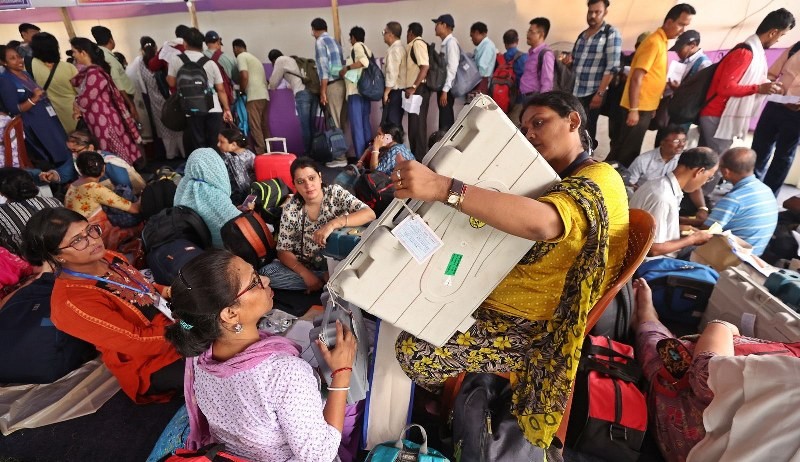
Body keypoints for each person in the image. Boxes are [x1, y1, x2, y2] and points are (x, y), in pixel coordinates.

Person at [391, 91, 629, 448]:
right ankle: (462, 390)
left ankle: (456, 401)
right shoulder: (556, 180)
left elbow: (546, 224)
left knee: (413, 350)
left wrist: (444, 188)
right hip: (504, 303)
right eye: (524, 127)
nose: (529, 133)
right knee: (408, 302)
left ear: (573, 122)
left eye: (539, 122)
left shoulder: (600, 177)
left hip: (536, 330)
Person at [165, 249, 357, 461]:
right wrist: (341, 373)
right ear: (230, 313)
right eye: (255, 281)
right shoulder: (284, 373)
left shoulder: (199, 354)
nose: (266, 279)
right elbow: (320, 456)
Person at [22, 207, 182, 403]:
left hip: (175, 324)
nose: (93, 240)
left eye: (90, 230)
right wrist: (191, 328)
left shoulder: (109, 258)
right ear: (57, 256)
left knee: (221, 313)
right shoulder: (71, 303)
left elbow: (145, 289)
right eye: (77, 240)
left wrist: (172, 292)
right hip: (149, 362)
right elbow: (138, 342)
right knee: (221, 355)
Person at [631, 278, 786, 462]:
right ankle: (649, 321)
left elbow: (707, 376)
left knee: (662, 350)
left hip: (683, 420)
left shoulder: (791, 380)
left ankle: (644, 319)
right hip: (696, 446)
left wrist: (722, 327)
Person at [259, 157, 375, 292]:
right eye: (301, 182)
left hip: (338, 261)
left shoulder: (335, 193)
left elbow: (369, 213)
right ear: (294, 185)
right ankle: (328, 282)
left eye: (312, 178)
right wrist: (305, 274)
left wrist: (333, 224)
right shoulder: (291, 208)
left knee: (360, 264)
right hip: (307, 266)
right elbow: (284, 250)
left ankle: (329, 281)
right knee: (268, 272)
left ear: (320, 177)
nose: (308, 185)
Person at [608, 4, 696, 167]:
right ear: (669, 22)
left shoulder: (662, 42)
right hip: (637, 107)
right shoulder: (654, 42)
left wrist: (653, 105)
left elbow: (651, 77)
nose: (682, 30)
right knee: (627, 151)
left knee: (625, 148)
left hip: (645, 107)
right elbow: (636, 77)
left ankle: (607, 177)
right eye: (681, 24)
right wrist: (634, 110)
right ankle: (613, 182)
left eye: (686, 26)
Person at [699, 9, 794, 155]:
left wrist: (770, 86)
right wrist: (759, 88)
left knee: (708, 164)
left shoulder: (756, 53)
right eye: (781, 35)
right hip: (716, 114)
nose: (778, 40)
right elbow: (726, 88)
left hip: (720, 115)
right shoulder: (745, 53)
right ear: (773, 32)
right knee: (715, 167)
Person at [682, 148, 777, 256]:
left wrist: (678, 224)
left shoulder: (734, 199)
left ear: (726, 172)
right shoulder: (766, 190)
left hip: (732, 259)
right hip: (755, 255)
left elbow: (704, 234)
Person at [0, 45, 73, 183]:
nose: (19, 60)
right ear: (3, 62)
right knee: (51, 154)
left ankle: (68, 177)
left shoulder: (25, 74)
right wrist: (33, 99)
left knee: (64, 148)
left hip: (48, 118)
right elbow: (14, 109)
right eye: (12, 58)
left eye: (19, 56)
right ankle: (59, 182)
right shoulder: (5, 80)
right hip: (34, 124)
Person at [630, 147, 717, 258]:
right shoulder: (662, 197)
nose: (705, 182)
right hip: (650, 265)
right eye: (708, 177)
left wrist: (678, 228)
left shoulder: (660, 185)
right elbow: (652, 250)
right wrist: (692, 239)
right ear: (699, 171)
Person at [70, 37, 143, 166]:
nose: (73, 55)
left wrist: (76, 104)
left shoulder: (94, 74)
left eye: (74, 51)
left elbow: (85, 100)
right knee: (114, 152)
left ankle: (126, 179)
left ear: (83, 53)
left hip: (105, 122)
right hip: (102, 120)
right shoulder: (90, 72)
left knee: (115, 154)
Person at [166, 27, 233, 154]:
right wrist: (227, 109)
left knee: (198, 147)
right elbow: (220, 89)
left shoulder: (176, 60)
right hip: (213, 108)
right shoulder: (210, 63)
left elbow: (171, 82)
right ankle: (216, 171)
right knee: (215, 145)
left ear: (185, 43)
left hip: (190, 109)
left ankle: (201, 172)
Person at [64, 151, 142, 254]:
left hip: (77, 231)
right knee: (140, 225)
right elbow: (135, 209)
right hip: (95, 233)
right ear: (103, 169)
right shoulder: (96, 189)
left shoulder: (73, 186)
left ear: (79, 170)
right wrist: (143, 195)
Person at [569, 0, 622, 147]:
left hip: (593, 92)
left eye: (597, 12)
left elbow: (612, 67)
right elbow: (575, 61)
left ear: (605, 12)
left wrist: (600, 93)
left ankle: (586, 160)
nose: (592, 15)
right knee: (573, 128)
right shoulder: (582, 35)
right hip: (576, 90)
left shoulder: (610, 33)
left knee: (588, 130)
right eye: (590, 11)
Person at [752, 38, 800, 194]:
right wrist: (775, 86)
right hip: (775, 104)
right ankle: (749, 191)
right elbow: (771, 74)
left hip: (797, 113)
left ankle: (768, 196)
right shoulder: (796, 46)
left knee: (784, 156)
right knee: (759, 148)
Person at [653, 29, 711, 147]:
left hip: (684, 113)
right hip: (672, 107)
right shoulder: (682, 61)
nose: (678, 53)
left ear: (693, 45)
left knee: (673, 142)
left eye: (680, 49)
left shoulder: (704, 65)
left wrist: (679, 89)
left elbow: (699, 94)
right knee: (662, 138)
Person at [174, 147, 240, 248]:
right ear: (216, 167)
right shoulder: (213, 196)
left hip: (192, 248)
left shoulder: (183, 188)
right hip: (222, 254)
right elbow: (240, 230)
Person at [136, 36, 185, 160]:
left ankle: (170, 155)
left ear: (142, 49)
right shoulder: (162, 58)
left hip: (154, 101)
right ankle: (183, 153)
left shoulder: (140, 63)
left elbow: (140, 84)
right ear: (156, 47)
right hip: (170, 99)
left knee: (164, 129)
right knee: (177, 125)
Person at [0, 167, 62, 254]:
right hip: (63, 252)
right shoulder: (53, 201)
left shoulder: (2, 213)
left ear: (2, 192)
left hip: (31, 261)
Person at [268, 49, 318, 156]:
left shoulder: (280, 60)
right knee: (311, 125)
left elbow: (273, 82)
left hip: (302, 94)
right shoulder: (293, 60)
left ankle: (308, 154)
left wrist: (269, 85)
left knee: (305, 126)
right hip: (313, 92)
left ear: (273, 60)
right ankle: (316, 151)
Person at [66, 129, 146, 194]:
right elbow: (65, 171)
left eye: (76, 151)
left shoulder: (109, 162)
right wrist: (54, 175)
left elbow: (126, 188)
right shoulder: (78, 160)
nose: (74, 155)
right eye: (70, 151)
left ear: (90, 148)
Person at [28, 32, 79, 134]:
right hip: (72, 113)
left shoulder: (30, 66)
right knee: (77, 142)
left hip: (48, 115)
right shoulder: (69, 68)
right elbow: (81, 91)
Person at [338, 27, 372, 168]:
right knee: (365, 126)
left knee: (357, 128)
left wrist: (347, 68)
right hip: (365, 93)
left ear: (353, 37)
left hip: (355, 93)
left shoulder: (357, 46)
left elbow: (364, 62)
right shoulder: (367, 48)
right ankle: (369, 158)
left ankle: (360, 160)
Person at [89, 26, 138, 118]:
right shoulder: (108, 58)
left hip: (123, 97)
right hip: (125, 98)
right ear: (111, 39)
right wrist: (130, 105)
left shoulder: (103, 55)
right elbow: (117, 83)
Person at [233, 39, 271, 154]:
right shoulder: (254, 59)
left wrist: (241, 90)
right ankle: (270, 152)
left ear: (235, 48)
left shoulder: (241, 57)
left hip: (253, 96)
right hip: (264, 96)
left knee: (255, 126)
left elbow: (244, 76)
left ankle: (261, 153)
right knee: (264, 125)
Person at [312, 18, 346, 137]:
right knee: (342, 121)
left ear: (314, 30)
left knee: (334, 122)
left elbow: (323, 69)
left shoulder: (320, 42)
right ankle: (344, 151)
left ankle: (339, 155)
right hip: (342, 84)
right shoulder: (334, 41)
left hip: (332, 86)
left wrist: (323, 92)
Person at [626, 124, 687, 189]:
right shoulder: (643, 160)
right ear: (662, 142)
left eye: (683, 140)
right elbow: (629, 183)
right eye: (676, 141)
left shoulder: (684, 160)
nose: (681, 144)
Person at [402, 22, 430, 160]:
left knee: (418, 127)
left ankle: (420, 160)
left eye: (407, 33)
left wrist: (413, 86)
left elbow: (424, 67)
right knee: (413, 126)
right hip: (415, 90)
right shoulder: (412, 45)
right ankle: (415, 157)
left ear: (411, 33)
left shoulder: (417, 43)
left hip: (419, 89)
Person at [433, 14, 459, 131]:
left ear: (444, 25)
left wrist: (445, 90)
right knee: (444, 118)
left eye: (437, 24)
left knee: (446, 121)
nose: (435, 27)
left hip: (446, 89)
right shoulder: (445, 43)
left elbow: (452, 67)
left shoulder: (451, 43)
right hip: (444, 88)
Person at [217, 127, 256, 204]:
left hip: (236, 197)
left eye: (222, 142)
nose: (218, 144)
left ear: (234, 145)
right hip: (250, 195)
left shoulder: (227, 158)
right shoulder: (251, 155)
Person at [519, 18, 555, 100]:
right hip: (526, 96)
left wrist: (541, 103)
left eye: (531, 32)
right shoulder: (532, 53)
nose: (528, 35)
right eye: (528, 31)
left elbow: (547, 83)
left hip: (534, 98)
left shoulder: (546, 54)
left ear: (541, 34)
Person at [501, 29, 529, 125]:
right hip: (518, 99)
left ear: (504, 43)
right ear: (517, 41)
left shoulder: (500, 59)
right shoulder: (524, 57)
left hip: (500, 98)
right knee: (513, 128)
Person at [382, 21, 405, 127]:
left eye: (384, 32)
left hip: (394, 91)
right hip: (399, 91)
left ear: (391, 34)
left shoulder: (394, 50)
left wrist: (386, 93)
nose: (383, 35)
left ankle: (396, 144)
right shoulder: (401, 48)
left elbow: (392, 73)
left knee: (392, 124)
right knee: (395, 124)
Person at [469, 21, 498, 94]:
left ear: (477, 33)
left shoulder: (487, 46)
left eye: (472, 36)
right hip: (480, 80)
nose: (471, 39)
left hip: (482, 81)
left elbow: (482, 69)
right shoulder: (483, 45)